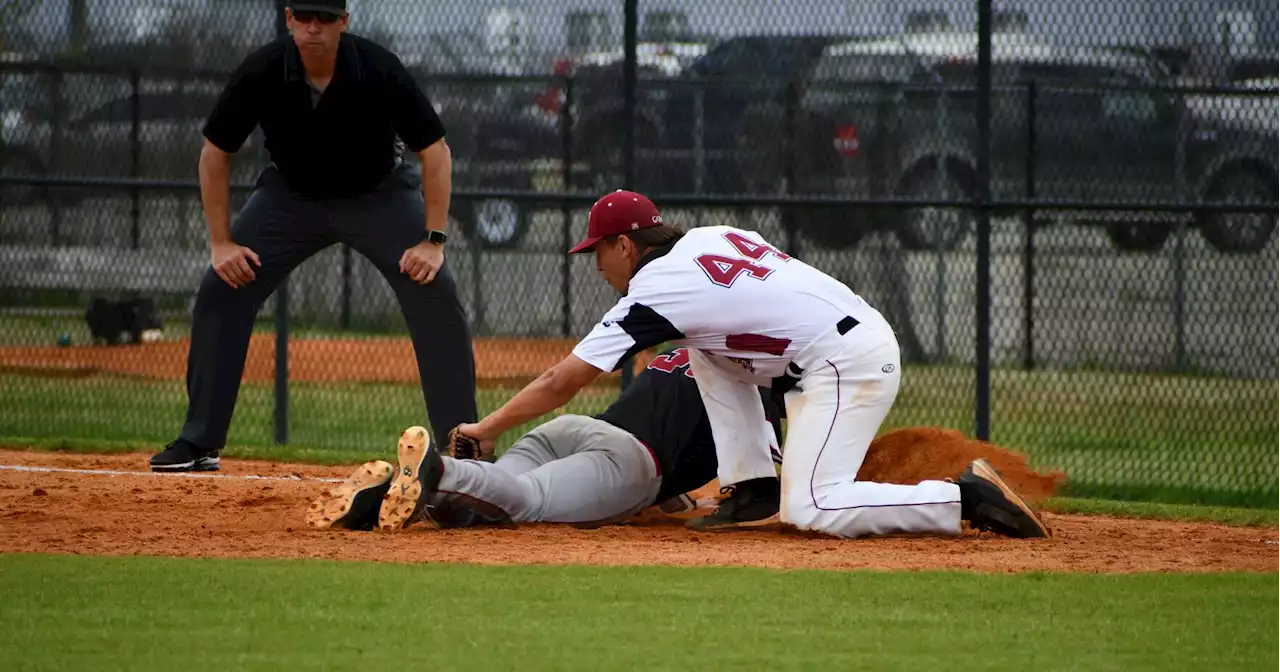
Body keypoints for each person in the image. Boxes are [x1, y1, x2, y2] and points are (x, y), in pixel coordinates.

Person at [438, 189, 1050, 540]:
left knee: (813, 509)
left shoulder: (656, 289)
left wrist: (484, 430)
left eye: (597, 252)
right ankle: (752, 485)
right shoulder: (709, 236)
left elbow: (562, 380)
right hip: (837, 342)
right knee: (708, 348)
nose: (597, 266)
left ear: (624, 246)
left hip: (843, 362)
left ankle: (959, 498)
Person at [150, 0, 477, 472]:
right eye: (303, 17)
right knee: (221, 286)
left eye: (325, 17)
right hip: (291, 198)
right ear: (288, 19)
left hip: (378, 194)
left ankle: (459, 450)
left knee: (436, 290)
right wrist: (221, 243)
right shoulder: (262, 70)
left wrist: (434, 240)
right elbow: (214, 152)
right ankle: (199, 442)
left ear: (344, 22)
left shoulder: (377, 67)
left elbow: (436, 151)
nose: (313, 28)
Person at [305, 347, 784, 531]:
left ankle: (396, 495)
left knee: (490, 499)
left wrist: (679, 500)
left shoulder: (690, 350)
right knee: (527, 500)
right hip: (627, 461)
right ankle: (437, 469)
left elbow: (679, 433)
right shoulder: (756, 387)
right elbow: (761, 481)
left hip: (569, 430)